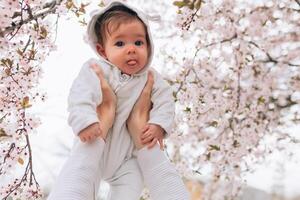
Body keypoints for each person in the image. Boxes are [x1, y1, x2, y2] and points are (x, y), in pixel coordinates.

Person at [47, 1, 189, 200]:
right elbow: (80, 95)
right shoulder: (96, 70)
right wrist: (85, 121)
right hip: (96, 142)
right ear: (103, 50)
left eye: (138, 42)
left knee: (128, 189)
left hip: (127, 159)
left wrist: (159, 125)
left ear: (148, 46)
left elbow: (166, 103)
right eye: (120, 43)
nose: (131, 49)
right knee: (83, 185)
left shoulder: (152, 78)